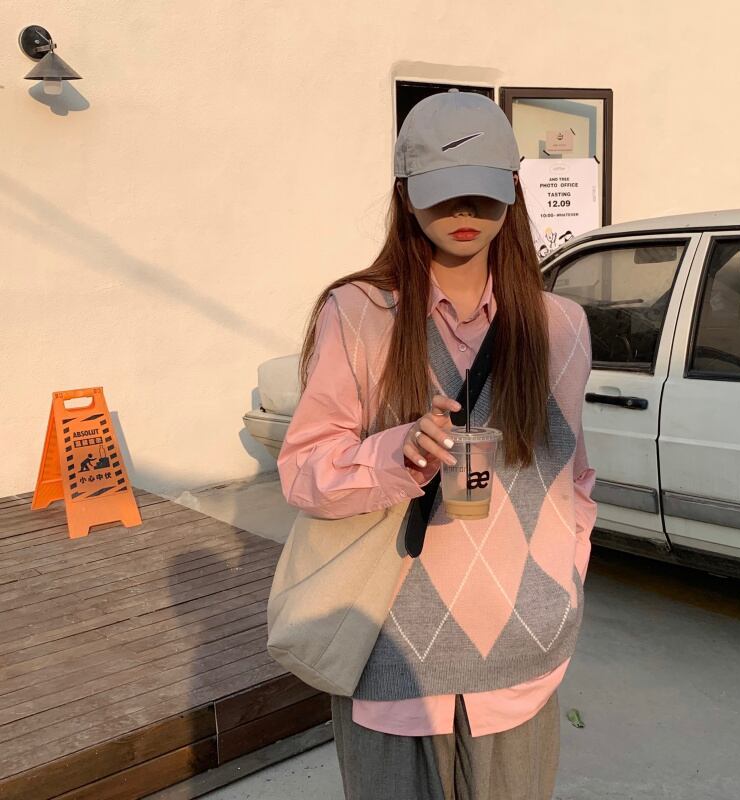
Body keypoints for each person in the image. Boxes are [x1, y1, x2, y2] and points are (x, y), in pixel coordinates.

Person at [277, 90, 598, 800]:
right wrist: (396, 453)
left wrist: (563, 581)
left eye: (482, 191)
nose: (464, 210)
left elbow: (573, 480)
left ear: (512, 192)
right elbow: (302, 471)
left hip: (523, 653)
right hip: (392, 652)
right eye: (442, 192)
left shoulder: (562, 327)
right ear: (404, 194)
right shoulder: (360, 313)